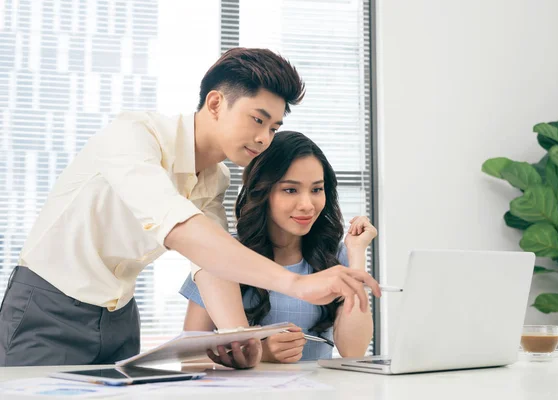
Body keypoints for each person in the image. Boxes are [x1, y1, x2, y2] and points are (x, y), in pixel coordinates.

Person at [0, 48, 381, 367]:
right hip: (48, 306)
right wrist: (296, 284)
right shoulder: (135, 136)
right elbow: (180, 228)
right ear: (216, 102)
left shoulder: (214, 181)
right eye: (257, 120)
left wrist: (239, 339)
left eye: (274, 127)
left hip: (119, 316)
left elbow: (213, 264)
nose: (264, 138)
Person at [180, 131, 377, 368]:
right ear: (263, 191)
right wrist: (260, 352)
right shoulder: (222, 254)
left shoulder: (333, 257)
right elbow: (190, 361)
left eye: (316, 190)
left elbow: (353, 351)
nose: (307, 205)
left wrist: (356, 256)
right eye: (290, 190)